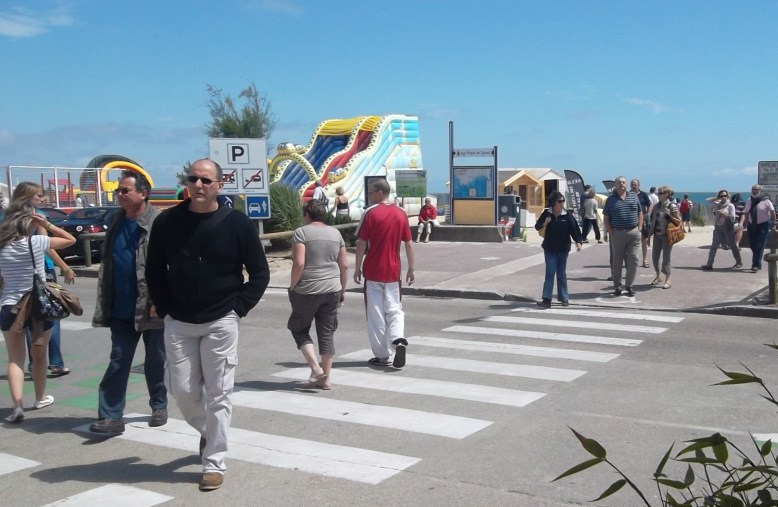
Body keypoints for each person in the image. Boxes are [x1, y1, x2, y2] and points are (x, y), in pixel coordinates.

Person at [146, 159, 270, 491]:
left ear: (219, 185)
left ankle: (214, 462)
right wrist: (168, 309)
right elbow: (154, 271)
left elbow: (259, 273)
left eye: (205, 180)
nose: (198, 185)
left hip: (221, 320)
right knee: (183, 392)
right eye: (193, 179)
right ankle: (209, 432)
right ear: (186, 184)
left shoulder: (238, 224)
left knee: (219, 394)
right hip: (180, 321)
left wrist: (237, 309)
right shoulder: (168, 222)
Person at [89, 171, 167, 435]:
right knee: (119, 360)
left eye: (125, 191)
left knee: (156, 360)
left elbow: (167, 264)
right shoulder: (115, 220)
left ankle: (159, 404)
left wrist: (161, 298)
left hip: (151, 305)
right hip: (121, 307)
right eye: (118, 191)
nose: (119, 195)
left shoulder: (158, 222)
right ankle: (111, 416)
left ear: (143, 193)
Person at [0, 202, 75, 423]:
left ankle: (17, 406)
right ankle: (40, 398)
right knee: (39, 356)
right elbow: (70, 240)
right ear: (30, 221)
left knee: (15, 359)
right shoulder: (36, 241)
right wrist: (47, 223)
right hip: (37, 307)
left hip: (9, 306)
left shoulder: (1, 245)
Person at [11, 182, 75, 378]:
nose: (42, 199)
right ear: (26, 197)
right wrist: (64, 266)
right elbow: (47, 246)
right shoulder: (36, 216)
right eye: (38, 195)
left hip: (15, 272)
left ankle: (33, 363)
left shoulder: (6, 216)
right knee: (48, 316)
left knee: (25, 317)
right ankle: (53, 362)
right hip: (42, 270)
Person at [287, 199, 348, 390]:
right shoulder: (336, 233)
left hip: (308, 289)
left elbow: (299, 263)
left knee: (298, 328)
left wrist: (292, 286)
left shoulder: (301, 233)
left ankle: (316, 370)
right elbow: (344, 265)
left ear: (307, 214)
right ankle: (326, 379)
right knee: (326, 333)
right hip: (332, 288)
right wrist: (342, 290)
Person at [354, 179, 415, 368]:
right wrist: (411, 268)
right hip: (393, 271)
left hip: (373, 270)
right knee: (394, 309)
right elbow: (408, 243)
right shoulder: (401, 213)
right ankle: (398, 340)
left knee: (376, 314)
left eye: (371, 192)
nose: (369, 195)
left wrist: (357, 267)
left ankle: (382, 355)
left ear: (380, 192)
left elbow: (361, 243)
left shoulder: (370, 213)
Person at [534, 191, 582, 308]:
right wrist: (545, 222)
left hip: (563, 248)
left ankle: (564, 298)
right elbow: (537, 227)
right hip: (549, 248)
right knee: (550, 273)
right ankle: (546, 300)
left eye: (563, 201)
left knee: (561, 274)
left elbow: (574, 229)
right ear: (554, 202)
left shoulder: (567, 215)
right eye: (560, 201)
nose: (562, 203)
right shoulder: (547, 213)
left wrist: (578, 241)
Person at [603, 176, 642, 296]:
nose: (622, 184)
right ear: (615, 185)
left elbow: (640, 212)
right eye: (619, 182)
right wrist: (611, 232)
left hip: (633, 233)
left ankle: (629, 285)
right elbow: (606, 218)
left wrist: (640, 228)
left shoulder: (633, 196)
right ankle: (618, 286)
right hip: (618, 233)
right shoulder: (610, 200)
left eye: (623, 182)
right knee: (617, 261)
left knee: (634, 259)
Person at [647, 186, 681, 289]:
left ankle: (668, 279)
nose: (658, 194)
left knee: (666, 259)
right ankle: (658, 276)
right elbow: (653, 222)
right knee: (654, 258)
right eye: (658, 193)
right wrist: (649, 236)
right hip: (657, 235)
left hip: (667, 236)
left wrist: (670, 215)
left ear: (666, 194)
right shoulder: (656, 206)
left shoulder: (672, 206)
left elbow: (678, 221)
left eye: (660, 193)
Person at [738, 185, 777, 273]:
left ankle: (756, 265)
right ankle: (757, 259)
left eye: (756, 189)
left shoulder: (766, 201)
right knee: (753, 245)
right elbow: (746, 212)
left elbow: (772, 212)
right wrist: (745, 222)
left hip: (763, 224)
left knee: (759, 245)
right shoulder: (749, 200)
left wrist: (773, 223)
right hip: (751, 225)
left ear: (760, 191)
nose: (754, 191)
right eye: (753, 189)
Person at [701, 190, 741, 270]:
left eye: (725, 195)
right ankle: (709, 264)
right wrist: (717, 198)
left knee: (732, 245)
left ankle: (738, 262)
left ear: (728, 196)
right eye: (721, 196)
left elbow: (733, 218)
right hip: (718, 227)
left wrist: (725, 214)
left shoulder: (730, 205)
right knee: (714, 246)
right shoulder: (717, 204)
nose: (723, 197)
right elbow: (707, 200)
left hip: (727, 227)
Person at [630, 179, 651, 268]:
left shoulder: (644, 194)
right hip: (632, 220)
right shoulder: (628, 194)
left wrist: (648, 214)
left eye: (635, 185)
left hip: (644, 219)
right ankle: (631, 261)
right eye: (632, 185)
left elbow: (649, 204)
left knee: (644, 240)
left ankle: (644, 260)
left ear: (639, 185)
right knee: (631, 241)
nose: (634, 186)